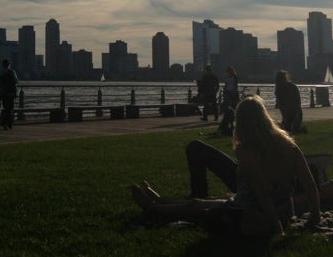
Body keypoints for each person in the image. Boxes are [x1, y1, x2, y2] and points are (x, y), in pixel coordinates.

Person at [132, 95, 321, 238]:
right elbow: (310, 185)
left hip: (252, 213)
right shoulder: (290, 147)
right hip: (284, 212)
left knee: (197, 205)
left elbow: (262, 193)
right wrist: (315, 216)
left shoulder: (246, 151)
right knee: (205, 202)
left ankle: (154, 209)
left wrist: (276, 227)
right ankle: (160, 202)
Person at [217, 66, 240, 136]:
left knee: (232, 105)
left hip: (232, 92)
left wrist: (235, 92)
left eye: (229, 71)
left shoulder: (235, 77)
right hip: (227, 92)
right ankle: (226, 115)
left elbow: (236, 85)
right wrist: (225, 89)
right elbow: (226, 85)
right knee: (226, 104)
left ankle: (232, 116)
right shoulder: (227, 77)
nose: (228, 72)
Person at [0, 59, 19, 130]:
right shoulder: (12, 72)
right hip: (11, 93)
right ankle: (9, 122)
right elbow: (16, 81)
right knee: (10, 108)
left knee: (5, 107)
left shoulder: (0, 72)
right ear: (9, 64)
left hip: (4, 93)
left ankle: (4, 121)